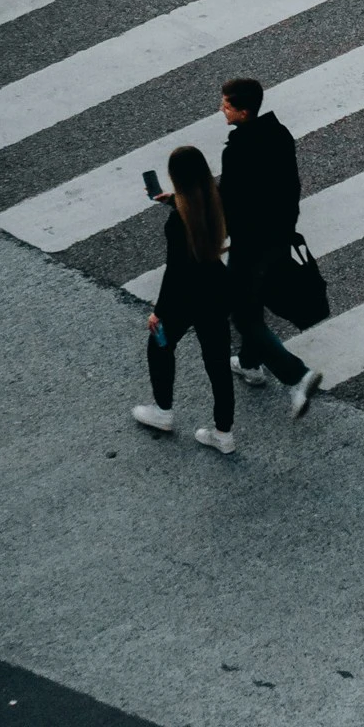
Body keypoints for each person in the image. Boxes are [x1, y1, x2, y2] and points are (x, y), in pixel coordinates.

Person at [219, 75, 321, 418]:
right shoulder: (278, 135)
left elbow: (227, 201)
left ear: (244, 112)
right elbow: (291, 187)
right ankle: (250, 364)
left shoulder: (238, 151)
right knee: (254, 299)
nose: (222, 109)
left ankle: (297, 375)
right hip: (279, 236)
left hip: (250, 244)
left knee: (243, 314)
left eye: (227, 105)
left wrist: (181, 203)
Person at [133, 145, 236, 454]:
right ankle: (224, 434)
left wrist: (159, 311)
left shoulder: (178, 223)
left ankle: (163, 411)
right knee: (217, 364)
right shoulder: (216, 196)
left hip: (185, 297)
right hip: (216, 291)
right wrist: (174, 203)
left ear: (175, 178)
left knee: (160, 345)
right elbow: (199, 213)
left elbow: (175, 271)